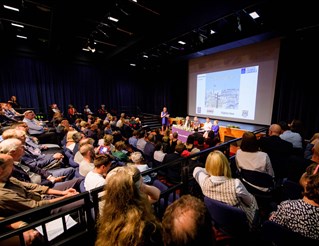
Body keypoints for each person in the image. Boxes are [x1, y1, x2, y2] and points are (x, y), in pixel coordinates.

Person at [95, 165, 163, 246]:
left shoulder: (109, 215)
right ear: (139, 189)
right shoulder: (147, 229)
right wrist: (143, 186)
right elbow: (156, 195)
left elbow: (156, 195)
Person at [193, 150, 260, 230]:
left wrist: (210, 169)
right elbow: (249, 202)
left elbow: (196, 169)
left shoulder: (203, 181)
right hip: (239, 224)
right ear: (225, 165)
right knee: (253, 200)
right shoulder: (236, 184)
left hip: (219, 219)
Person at [0, 153, 81, 218]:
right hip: (42, 212)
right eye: (11, 166)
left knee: (79, 181)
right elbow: (36, 206)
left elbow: (33, 186)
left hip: (42, 197)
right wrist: (64, 198)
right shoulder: (3, 194)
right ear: (1, 170)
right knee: (85, 200)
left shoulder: (8, 178)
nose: (14, 168)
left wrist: (63, 193)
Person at [269, 163, 319, 240]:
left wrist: (272, 215)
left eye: (306, 172)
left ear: (308, 181)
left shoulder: (287, 207)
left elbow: (273, 228)